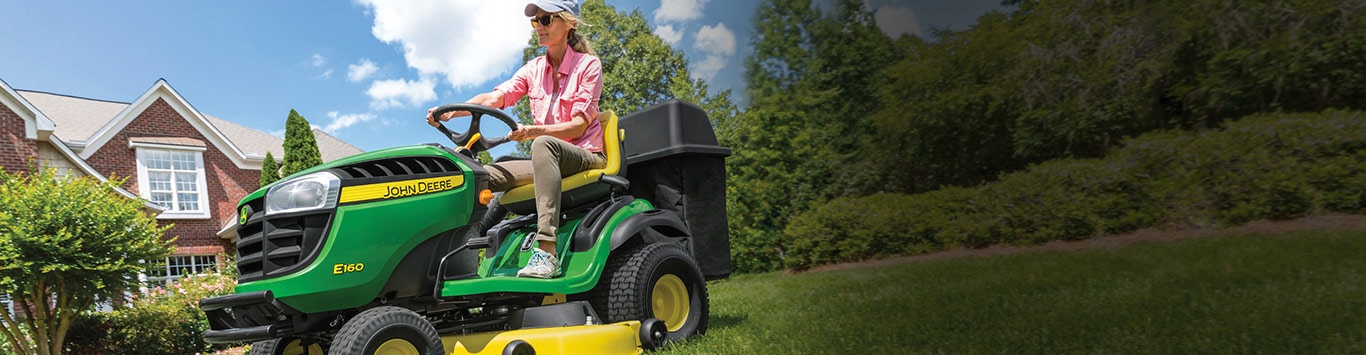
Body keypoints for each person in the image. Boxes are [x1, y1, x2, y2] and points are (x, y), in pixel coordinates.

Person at [427, 0, 603, 279]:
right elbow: (496, 98)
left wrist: (534, 131)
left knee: (542, 144)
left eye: (546, 20)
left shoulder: (588, 66)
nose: (539, 27)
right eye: (536, 21)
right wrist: (452, 112)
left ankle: (546, 252)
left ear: (569, 23)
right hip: (547, 159)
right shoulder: (533, 69)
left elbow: (579, 127)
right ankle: (445, 256)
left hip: (585, 155)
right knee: (476, 175)